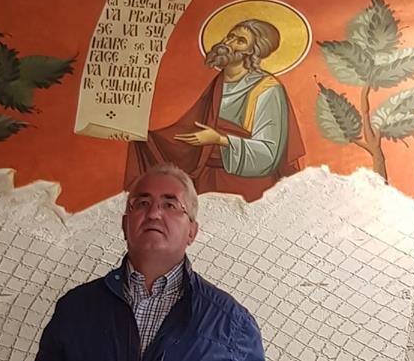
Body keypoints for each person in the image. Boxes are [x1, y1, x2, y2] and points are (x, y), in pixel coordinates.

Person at [34, 163, 266, 360]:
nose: (154, 214)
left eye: (170, 205)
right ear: (125, 225)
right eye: (142, 203)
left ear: (192, 231)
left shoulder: (232, 325)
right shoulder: (75, 308)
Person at [126, 20, 304, 198]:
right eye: (230, 36)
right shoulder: (216, 83)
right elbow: (188, 129)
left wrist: (219, 139)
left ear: (252, 51)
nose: (229, 43)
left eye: (240, 41)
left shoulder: (267, 89)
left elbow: (268, 154)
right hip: (207, 181)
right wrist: (146, 139)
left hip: (246, 188)